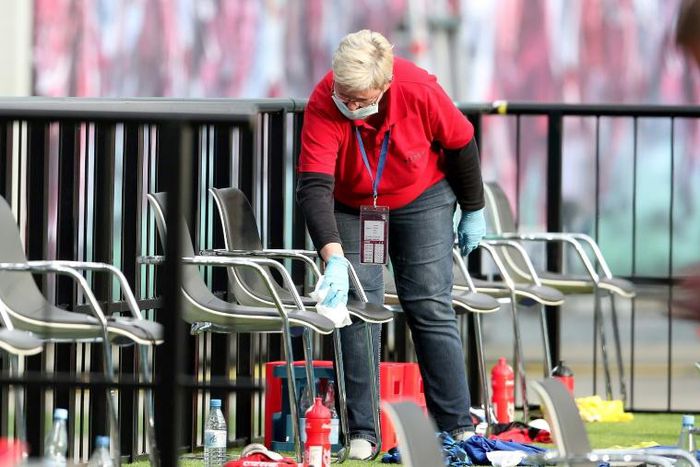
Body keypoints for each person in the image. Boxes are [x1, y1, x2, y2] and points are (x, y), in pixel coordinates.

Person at [296, 29, 485, 459]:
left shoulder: (418, 88)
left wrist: (473, 207)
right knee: (357, 309)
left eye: (362, 98)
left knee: (429, 304)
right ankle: (363, 431)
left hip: (425, 193)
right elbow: (313, 187)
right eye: (346, 96)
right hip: (353, 205)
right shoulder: (326, 99)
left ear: (385, 84)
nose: (353, 107)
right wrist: (334, 258)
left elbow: (460, 144)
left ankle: (457, 426)